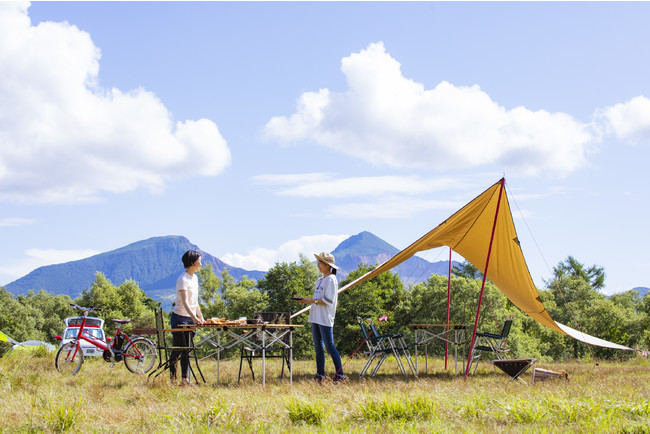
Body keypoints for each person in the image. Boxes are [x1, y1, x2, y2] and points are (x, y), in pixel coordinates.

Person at [299, 252, 346, 383]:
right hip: (316, 317)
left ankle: (340, 375)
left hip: (325, 317)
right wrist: (307, 301)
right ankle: (320, 375)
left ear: (327, 265)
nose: (318, 265)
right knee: (318, 348)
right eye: (318, 262)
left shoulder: (331, 279)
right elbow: (317, 299)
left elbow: (328, 300)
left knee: (330, 346)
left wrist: (311, 301)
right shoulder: (320, 280)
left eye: (320, 263)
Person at [170, 249, 205, 386]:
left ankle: (185, 380)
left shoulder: (194, 278)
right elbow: (185, 302)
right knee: (178, 349)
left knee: (188, 349)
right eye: (199, 261)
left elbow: (194, 301)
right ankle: (173, 379)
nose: (201, 264)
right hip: (179, 318)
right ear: (192, 262)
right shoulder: (182, 279)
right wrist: (194, 318)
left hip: (190, 318)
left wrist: (200, 317)